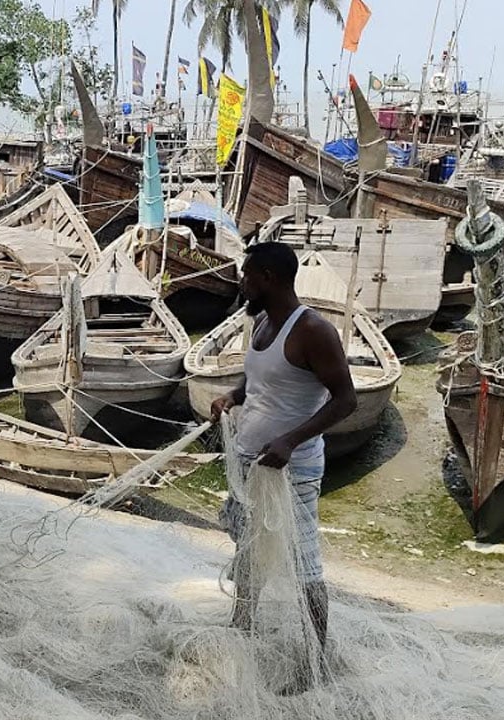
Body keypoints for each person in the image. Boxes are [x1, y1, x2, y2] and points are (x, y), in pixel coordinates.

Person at [209, 242, 356, 691]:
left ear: (268, 278)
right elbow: (258, 378)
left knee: (303, 564)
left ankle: (315, 662)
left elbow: (346, 400)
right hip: (251, 463)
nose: (242, 283)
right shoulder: (260, 322)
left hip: (291, 471)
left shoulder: (312, 331)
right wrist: (233, 396)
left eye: (246, 275)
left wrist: (291, 440)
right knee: (248, 548)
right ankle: (242, 625)